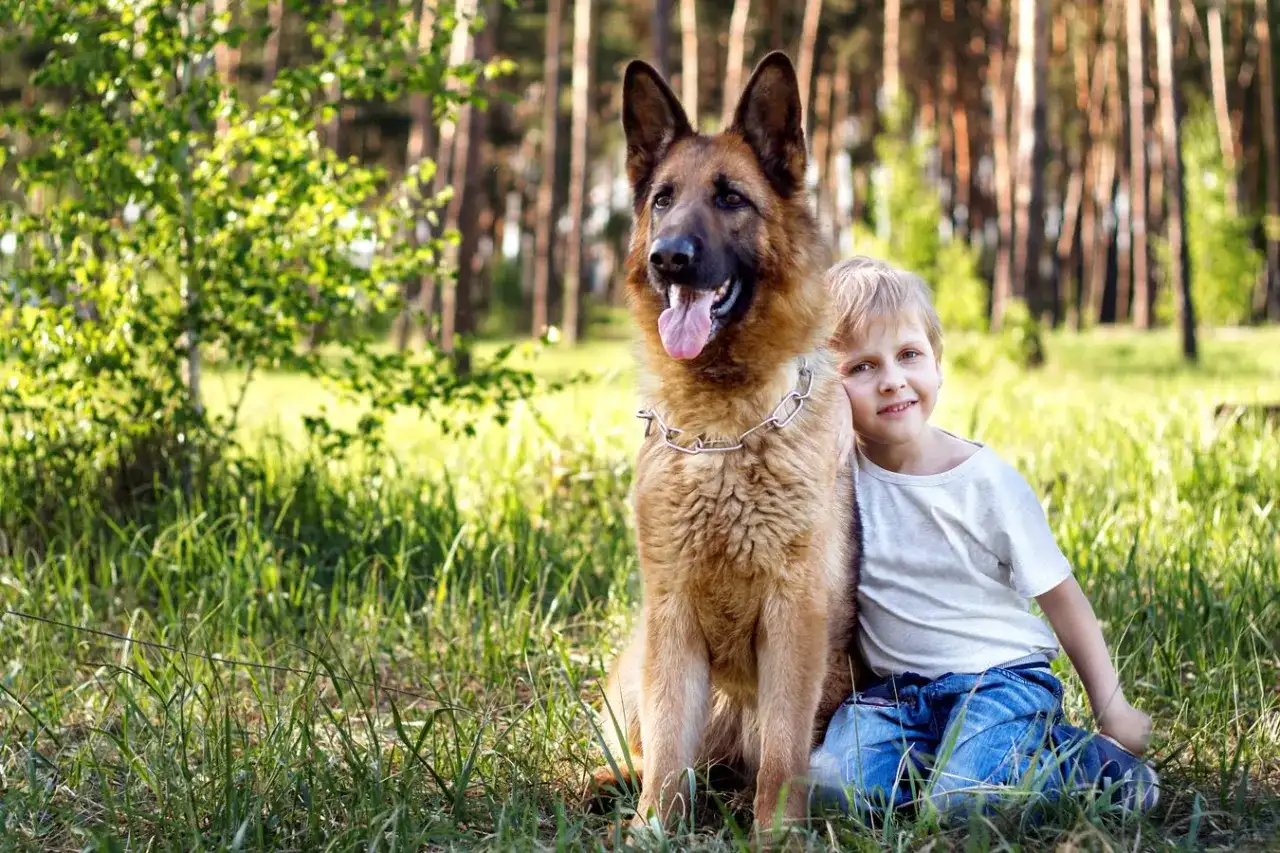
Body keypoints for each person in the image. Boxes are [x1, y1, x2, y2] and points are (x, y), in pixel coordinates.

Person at [808, 256, 1158, 818]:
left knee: (966, 805)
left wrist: (1110, 705)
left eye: (908, 355)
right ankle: (955, 762)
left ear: (938, 365)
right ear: (826, 386)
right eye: (862, 367)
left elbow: (1062, 599)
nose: (892, 379)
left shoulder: (985, 481)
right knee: (830, 788)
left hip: (999, 683)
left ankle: (1087, 764)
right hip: (894, 698)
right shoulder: (836, 479)